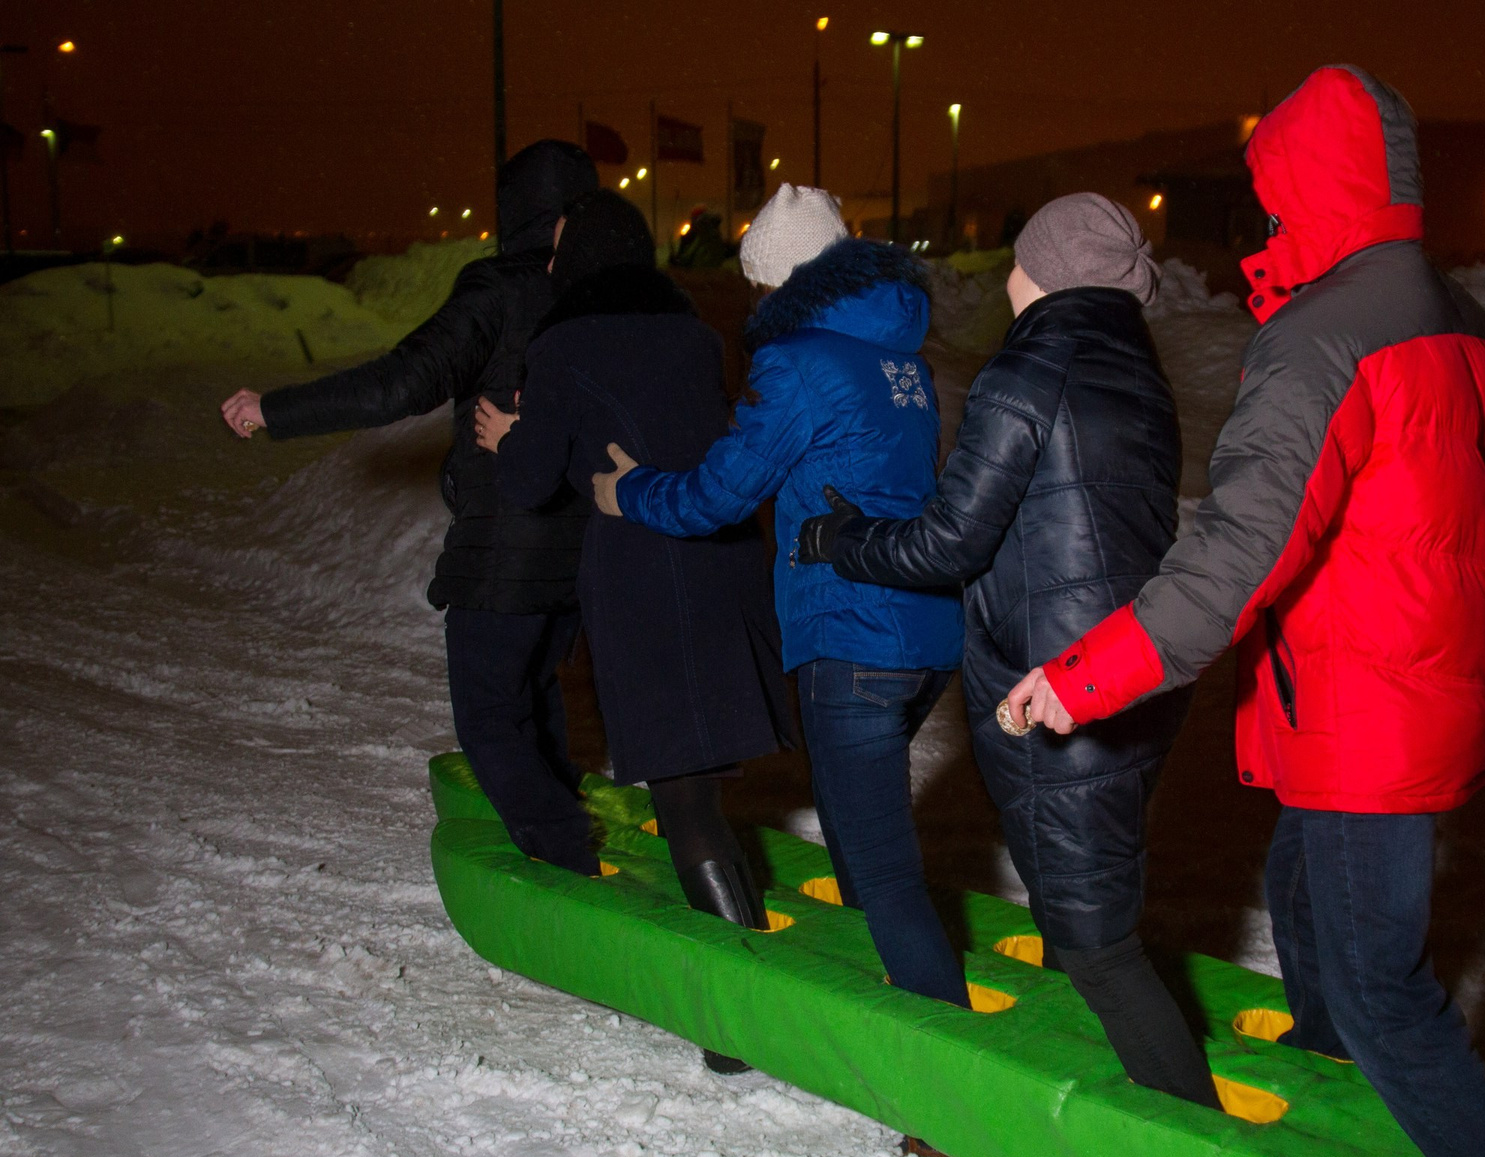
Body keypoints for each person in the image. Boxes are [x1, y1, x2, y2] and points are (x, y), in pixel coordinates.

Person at [1005, 65, 1485, 1157]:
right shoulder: (1464, 323)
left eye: (1268, 197)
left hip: (1370, 718)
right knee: (1308, 916)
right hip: (1398, 699)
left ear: (1302, 191)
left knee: (1378, 992)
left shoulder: (1324, 339)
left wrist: (1088, 674)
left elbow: (1239, 545)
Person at [797, 196, 1217, 1123]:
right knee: (1076, 912)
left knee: (1096, 941)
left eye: (1019, 258)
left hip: (1052, 685)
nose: (1007, 275)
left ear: (1048, 269)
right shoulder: (1133, 365)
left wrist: (841, 539)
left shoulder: (1032, 365)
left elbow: (949, 542)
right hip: (1124, 671)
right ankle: (1098, 1104)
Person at [593, 184, 969, 1008]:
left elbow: (718, 496)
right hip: (924, 630)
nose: (755, 298)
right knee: (857, 829)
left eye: (757, 282)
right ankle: (881, 997)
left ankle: (941, 1046)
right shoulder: (902, 359)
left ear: (781, 279)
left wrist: (631, 490)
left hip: (851, 633)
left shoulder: (796, 361)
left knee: (882, 867)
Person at [477, 188, 796, 1074]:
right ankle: (746, 996)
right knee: (700, 792)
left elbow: (533, 482)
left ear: (580, 262)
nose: (551, 265)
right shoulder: (691, 333)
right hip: (720, 564)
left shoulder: (564, 343)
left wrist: (509, 438)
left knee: (684, 799)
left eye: (560, 251)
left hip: (649, 584)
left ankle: (740, 1021)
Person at [220, 140, 603, 877]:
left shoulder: (499, 291)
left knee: (490, 714)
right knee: (531, 689)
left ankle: (564, 857)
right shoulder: (600, 294)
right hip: (581, 544)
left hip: (505, 549)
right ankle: (561, 815)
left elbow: (400, 384)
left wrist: (275, 409)